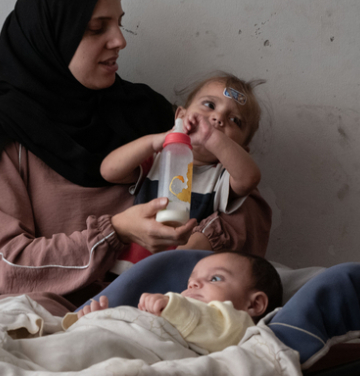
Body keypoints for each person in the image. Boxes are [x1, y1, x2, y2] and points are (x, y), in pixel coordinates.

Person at [0, 0, 261, 307]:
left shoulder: (145, 111)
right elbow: (3, 262)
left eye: (119, 23)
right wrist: (115, 232)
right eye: (97, 28)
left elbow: (244, 201)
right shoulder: (6, 134)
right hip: (52, 305)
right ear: (54, 36)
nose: (120, 40)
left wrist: (199, 243)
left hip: (158, 299)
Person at [100, 74, 271, 273]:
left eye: (235, 120)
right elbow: (109, 171)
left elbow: (249, 178)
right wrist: (157, 140)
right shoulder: (158, 157)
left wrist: (211, 137)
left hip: (179, 275)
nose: (218, 118)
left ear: (241, 149)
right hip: (127, 268)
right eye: (209, 105)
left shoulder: (221, 177)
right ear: (180, 115)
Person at [71, 251, 283, 353]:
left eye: (214, 278)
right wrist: (99, 319)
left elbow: (215, 329)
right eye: (191, 281)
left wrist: (172, 308)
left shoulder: (237, 324)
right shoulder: (176, 310)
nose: (193, 285)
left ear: (253, 305)